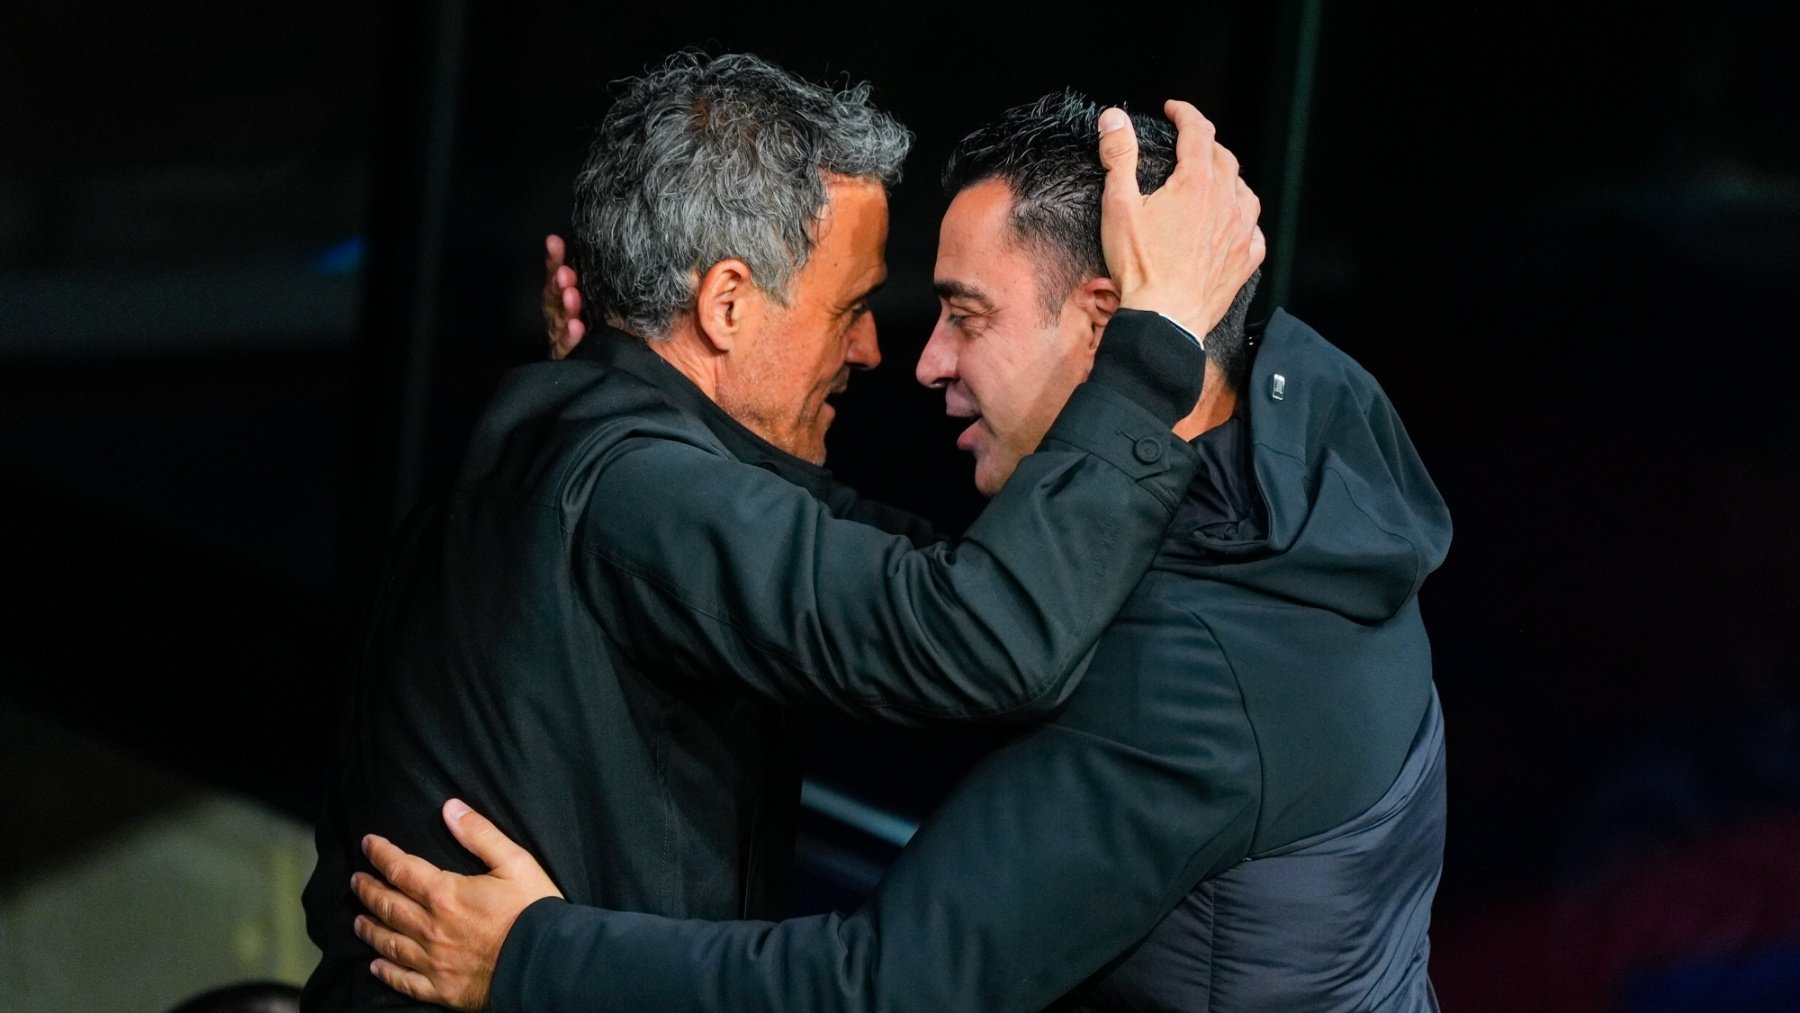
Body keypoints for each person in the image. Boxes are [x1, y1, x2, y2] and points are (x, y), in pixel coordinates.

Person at [349, 93, 1452, 1011]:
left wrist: (530, 958)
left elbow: (892, 984)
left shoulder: (1197, 664)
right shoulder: (1297, 502)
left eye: (963, 314)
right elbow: (928, 587)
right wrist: (657, 402)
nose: (915, 360)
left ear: (1113, 322)